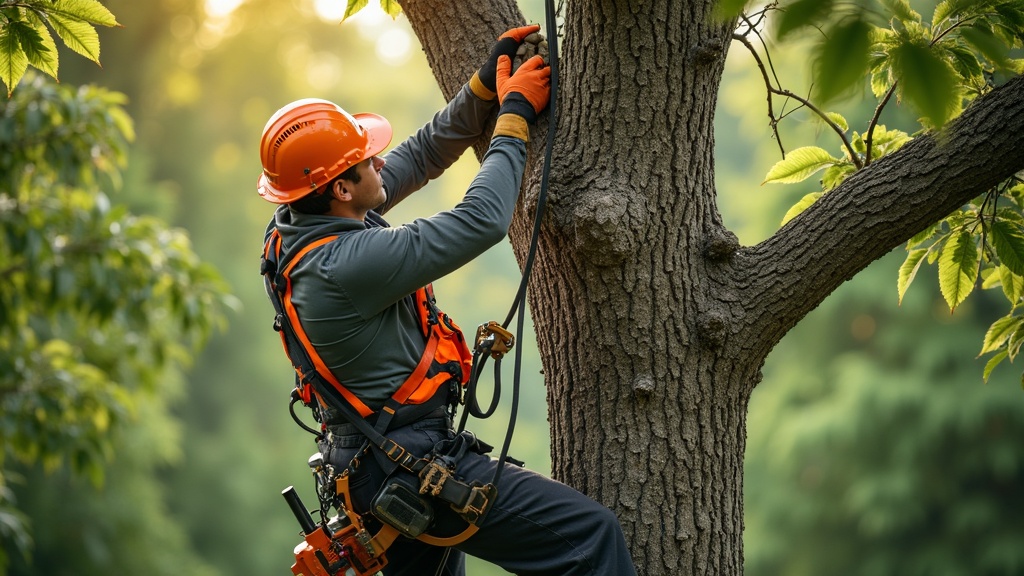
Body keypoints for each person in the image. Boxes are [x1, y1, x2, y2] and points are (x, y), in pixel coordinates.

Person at [256, 24, 636, 576]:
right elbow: (481, 220)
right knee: (590, 538)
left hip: (377, 467)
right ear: (341, 188)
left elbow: (422, 153)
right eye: (366, 161)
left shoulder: (299, 225)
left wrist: (483, 90)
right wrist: (513, 120)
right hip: (407, 466)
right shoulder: (345, 265)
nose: (380, 162)